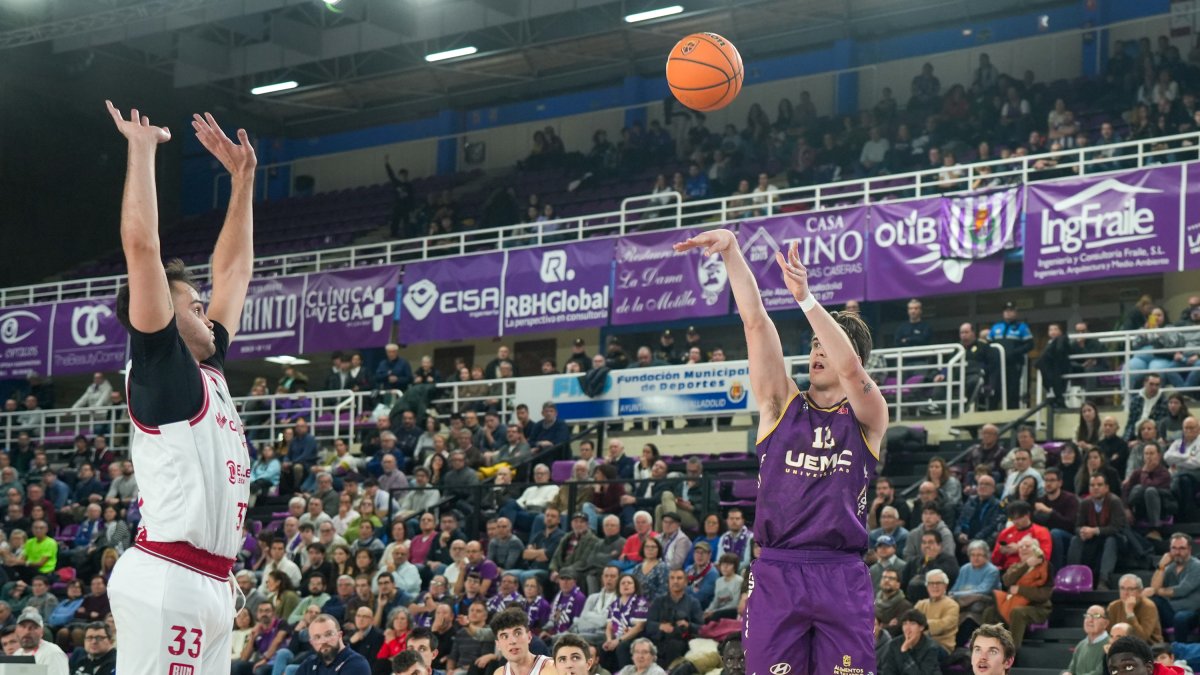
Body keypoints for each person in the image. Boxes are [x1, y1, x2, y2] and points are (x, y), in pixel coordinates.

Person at [675, 230, 887, 673]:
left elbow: (848, 365)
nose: (816, 351)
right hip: (778, 570)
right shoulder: (780, 403)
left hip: (840, 573)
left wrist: (808, 301)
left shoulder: (869, 414)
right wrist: (733, 252)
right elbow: (756, 323)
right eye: (812, 345)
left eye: (823, 344)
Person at [104, 103, 256, 675]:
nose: (206, 310)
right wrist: (141, 149)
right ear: (165, 312)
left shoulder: (210, 366)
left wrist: (242, 180)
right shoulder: (161, 368)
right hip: (170, 577)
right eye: (194, 304)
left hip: (212, 583)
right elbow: (141, 247)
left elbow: (235, 272)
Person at [1067, 474, 1127, 590]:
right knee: (1076, 539)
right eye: (1092, 485)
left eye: (1099, 485)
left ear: (1106, 487)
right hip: (1093, 540)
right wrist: (1083, 531)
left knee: (1111, 540)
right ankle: (1074, 576)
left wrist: (1095, 531)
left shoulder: (1114, 501)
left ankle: (1103, 580)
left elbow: (1117, 527)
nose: (1095, 488)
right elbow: (1077, 527)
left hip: (1116, 540)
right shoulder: (1085, 503)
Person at [1145, 533, 1200, 639]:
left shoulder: (1197, 566)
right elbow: (1153, 586)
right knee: (1151, 601)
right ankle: (1156, 644)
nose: (1177, 552)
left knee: (1180, 618)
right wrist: (1161, 566)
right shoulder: (1171, 567)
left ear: (1189, 549)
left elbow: (1181, 590)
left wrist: (1156, 591)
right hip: (1171, 609)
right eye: (1174, 548)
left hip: (1192, 611)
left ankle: (1180, 650)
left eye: (1181, 548)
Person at [294, 613, 372, 675]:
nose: (323, 641)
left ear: (340, 635)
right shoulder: (309, 664)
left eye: (328, 634)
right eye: (317, 637)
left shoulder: (357, 664)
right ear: (312, 643)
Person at [489, 607, 556, 675]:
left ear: (529, 637)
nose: (512, 641)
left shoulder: (551, 668)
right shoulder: (500, 673)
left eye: (518, 633)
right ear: (498, 644)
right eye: (505, 636)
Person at [878, 609, 939, 675]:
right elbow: (888, 670)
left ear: (921, 627)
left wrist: (904, 651)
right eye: (905, 624)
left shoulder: (931, 647)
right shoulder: (894, 644)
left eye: (912, 624)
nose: (907, 628)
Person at [1107, 575, 1164, 644]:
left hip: (1148, 648)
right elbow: (1109, 633)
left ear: (1140, 591)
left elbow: (1142, 638)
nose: (1125, 593)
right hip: (1121, 646)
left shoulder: (1149, 607)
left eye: (1130, 589)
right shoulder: (1113, 606)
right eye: (1122, 588)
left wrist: (1130, 613)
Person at [14, 607, 68, 675]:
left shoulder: (52, 653)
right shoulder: (17, 653)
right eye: (23, 627)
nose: (27, 632)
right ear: (16, 631)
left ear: (42, 632)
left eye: (33, 627)